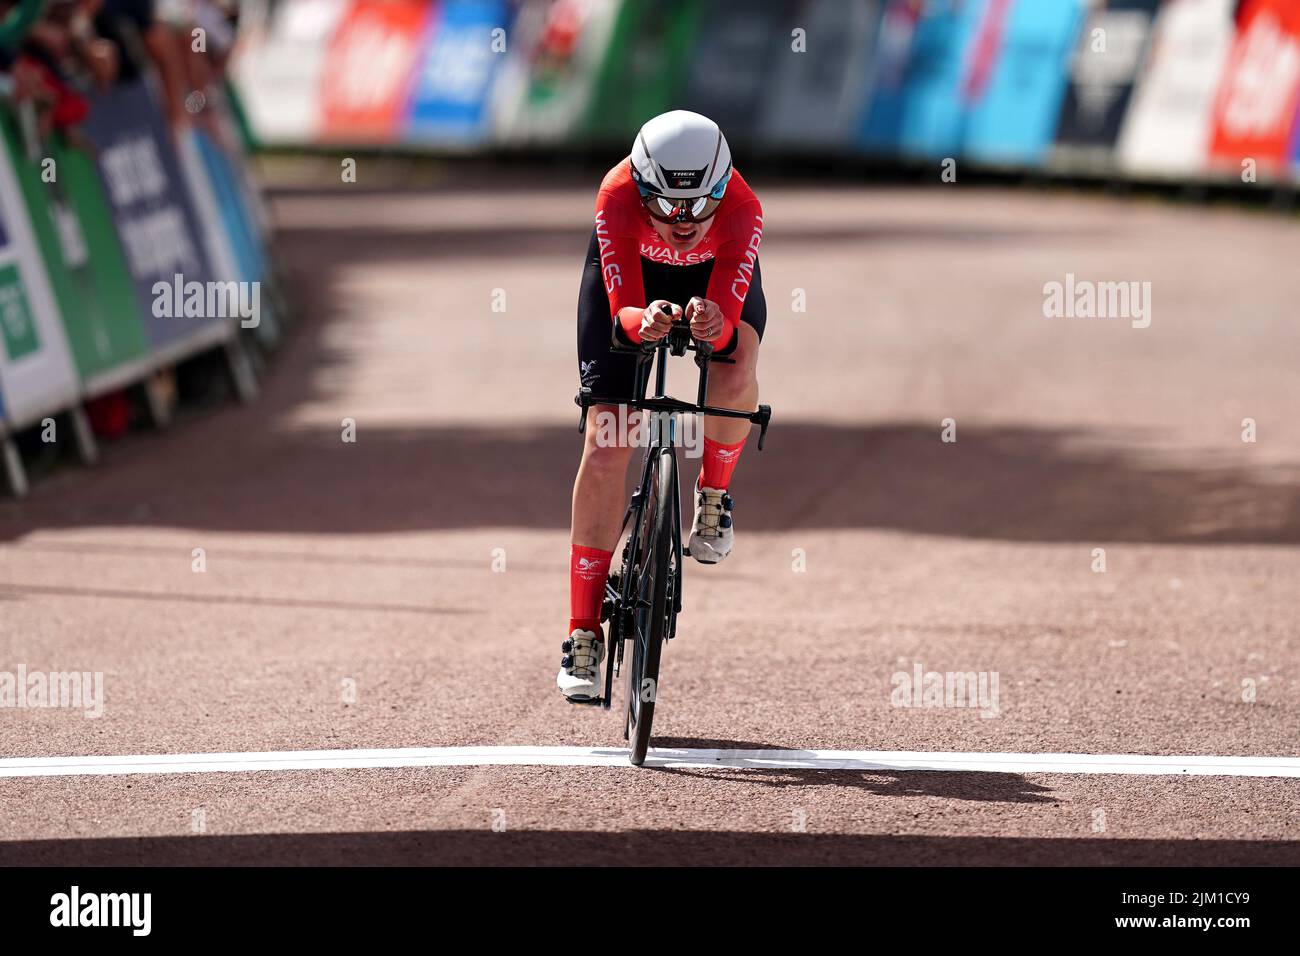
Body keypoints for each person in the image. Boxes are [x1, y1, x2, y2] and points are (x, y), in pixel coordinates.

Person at [559, 110, 766, 702]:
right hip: (633, 282)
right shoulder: (617, 193)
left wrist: (717, 327)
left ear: (721, 190)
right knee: (608, 441)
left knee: (736, 367)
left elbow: (727, 332)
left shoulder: (744, 208)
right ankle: (582, 632)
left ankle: (713, 495)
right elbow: (623, 310)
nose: (683, 222)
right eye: (668, 207)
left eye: (700, 207)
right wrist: (639, 319)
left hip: (715, 279)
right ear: (642, 188)